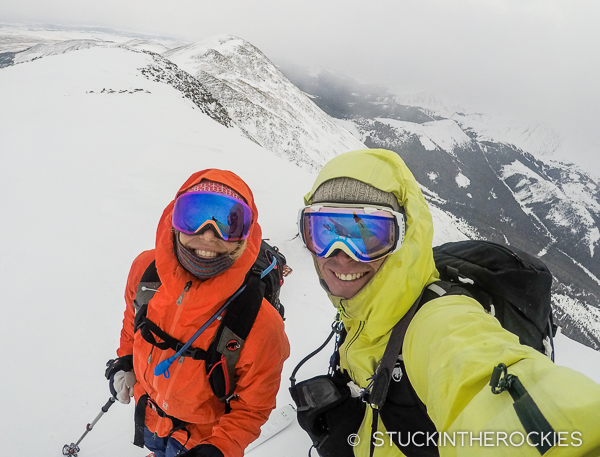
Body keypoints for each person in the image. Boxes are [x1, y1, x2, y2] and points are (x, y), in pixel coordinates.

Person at [295, 148, 600, 456]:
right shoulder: (361, 313)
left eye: (367, 234)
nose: (342, 255)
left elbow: (478, 376)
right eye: (324, 231)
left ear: (404, 239)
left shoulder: (439, 322)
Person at [105, 169, 290, 457]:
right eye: (193, 216)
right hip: (150, 416)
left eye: (228, 224)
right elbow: (133, 322)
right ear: (173, 222)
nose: (207, 235)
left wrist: (219, 448)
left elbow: (254, 405)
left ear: (246, 236)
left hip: (202, 438)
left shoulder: (261, 324)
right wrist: (126, 359)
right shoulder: (146, 271)